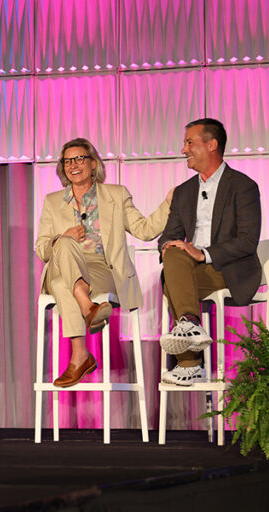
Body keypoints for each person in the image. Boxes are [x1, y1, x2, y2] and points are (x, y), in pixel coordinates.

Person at [35, 138, 173, 387]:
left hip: (100, 267)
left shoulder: (116, 195)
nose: (73, 165)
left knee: (62, 283)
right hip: (63, 261)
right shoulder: (52, 201)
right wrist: (62, 237)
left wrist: (168, 204)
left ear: (93, 163)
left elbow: (144, 230)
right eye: (67, 161)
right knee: (64, 246)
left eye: (79, 159)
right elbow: (42, 249)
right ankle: (89, 308)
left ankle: (81, 355)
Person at [158, 118, 261, 386]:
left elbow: (248, 241)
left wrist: (203, 253)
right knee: (172, 252)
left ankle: (190, 361)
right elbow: (168, 236)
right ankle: (191, 324)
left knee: (173, 279)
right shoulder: (183, 192)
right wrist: (173, 246)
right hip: (190, 271)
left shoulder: (243, 186)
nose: (183, 149)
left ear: (211, 145)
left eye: (189, 142)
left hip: (228, 270)